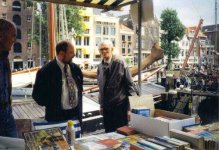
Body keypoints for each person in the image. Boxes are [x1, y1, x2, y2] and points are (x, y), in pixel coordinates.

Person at [32, 40, 83, 124]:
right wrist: (53, 104)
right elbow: (37, 96)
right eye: (71, 53)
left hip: (75, 116)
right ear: (61, 54)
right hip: (56, 118)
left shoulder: (76, 69)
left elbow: (80, 90)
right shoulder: (45, 71)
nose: (74, 55)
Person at [98, 40, 139, 132]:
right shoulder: (100, 66)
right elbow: (101, 88)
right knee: (108, 134)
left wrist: (129, 109)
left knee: (121, 134)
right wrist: (101, 105)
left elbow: (130, 86)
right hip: (107, 108)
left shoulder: (120, 63)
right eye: (101, 49)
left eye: (106, 49)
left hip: (119, 107)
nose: (104, 51)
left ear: (112, 49)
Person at [0, 19, 17, 137]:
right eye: (13, 36)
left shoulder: (4, 59)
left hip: (7, 117)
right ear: (1, 36)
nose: (14, 40)